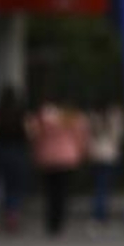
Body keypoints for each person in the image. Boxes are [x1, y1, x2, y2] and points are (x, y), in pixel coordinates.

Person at [29, 96, 88, 237]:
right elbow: (81, 137)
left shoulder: (43, 116)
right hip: (67, 157)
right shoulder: (73, 117)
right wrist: (81, 153)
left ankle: (51, 222)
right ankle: (59, 222)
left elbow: (34, 134)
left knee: (50, 192)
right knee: (62, 192)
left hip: (47, 157)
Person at [0, 87, 30, 234]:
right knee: (15, 186)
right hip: (17, 150)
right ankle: (12, 214)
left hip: (0, 150)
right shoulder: (21, 113)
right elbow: (30, 131)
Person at [86, 100, 124, 233]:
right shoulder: (114, 117)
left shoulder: (93, 117)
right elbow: (119, 135)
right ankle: (102, 213)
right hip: (109, 154)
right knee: (105, 185)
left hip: (96, 154)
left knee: (99, 185)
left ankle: (99, 213)